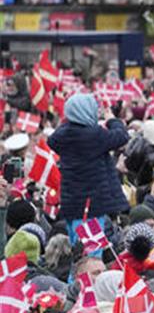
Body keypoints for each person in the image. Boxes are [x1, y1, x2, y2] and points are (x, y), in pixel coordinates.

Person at [48, 93, 129, 235]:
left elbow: (54, 137)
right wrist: (112, 120)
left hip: (71, 203)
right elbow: (121, 136)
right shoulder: (93, 135)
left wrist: (72, 119)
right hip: (92, 205)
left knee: (77, 248)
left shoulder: (62, 136)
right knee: (93, 251)